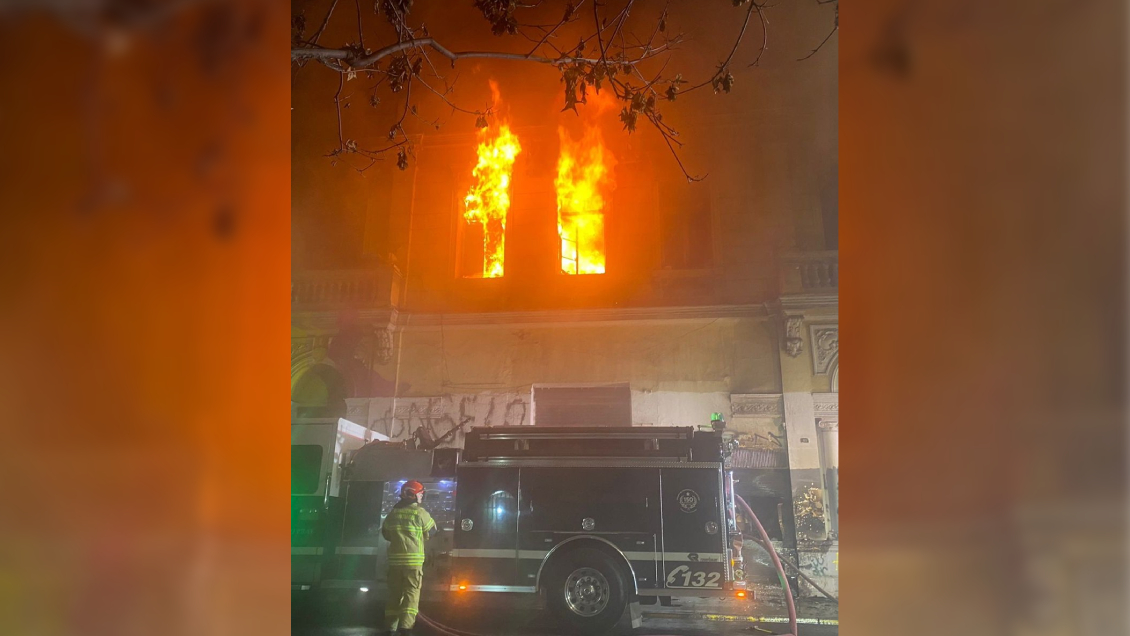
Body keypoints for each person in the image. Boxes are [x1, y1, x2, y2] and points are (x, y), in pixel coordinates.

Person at [380, 480, 436, 636]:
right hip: (413, 563)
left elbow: (385, 534)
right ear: (414, 494)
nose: (421, 497)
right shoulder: (419, 512)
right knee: (411, 594)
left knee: (394, 595)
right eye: (420, 494)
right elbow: (432, 531)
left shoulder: (393, 513)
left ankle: (390, 628)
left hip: (395, 563)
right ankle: (406, 627)